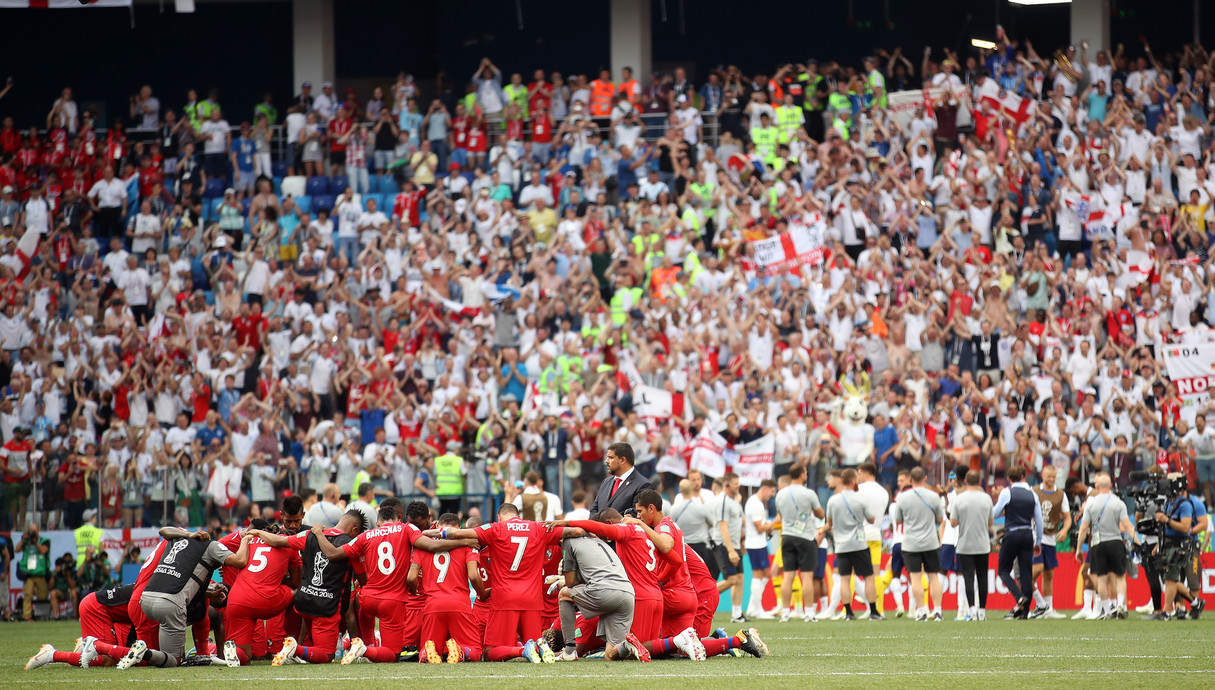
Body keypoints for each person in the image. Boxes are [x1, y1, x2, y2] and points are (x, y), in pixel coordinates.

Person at [311, 498, 476, 664]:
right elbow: (431, 546)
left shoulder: (365, 535)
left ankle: (358, 642)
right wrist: (464, 541)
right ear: (399, 518)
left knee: (364, 614)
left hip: (367, 599)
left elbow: (332, 554)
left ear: (378, 521)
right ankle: (365, 648)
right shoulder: (406, 529)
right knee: (392, 654)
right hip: (393, 601)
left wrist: (318, 532)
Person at [249, 508, 367, 665]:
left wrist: (256, 532)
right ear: (355, 529)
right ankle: (296, 649)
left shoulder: (309, 534)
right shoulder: (352, 543)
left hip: (304, 601)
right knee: (326, 656)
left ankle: (297, 649)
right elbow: (363, 579)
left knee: (313, 648)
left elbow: (278, 541)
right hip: (326, 607)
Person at [129, 529, 252, 669]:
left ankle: (145, 651)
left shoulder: (178, 540)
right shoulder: (213, 547)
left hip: (145, 598)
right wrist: (245, 540)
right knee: (175, 660)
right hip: (169, 603)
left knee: (156, 658)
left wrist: (188, 534)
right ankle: (146, 653)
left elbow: (163, 530)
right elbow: (240, 560)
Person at [407, 512, 489, 663]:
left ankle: (426, 654)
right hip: (459, 604)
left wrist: (416, 593)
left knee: (429, 648)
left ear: (437, 526)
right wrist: (483, 594)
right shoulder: (468, 544)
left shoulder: (423, 545)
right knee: (476, 651)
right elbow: (473, 575)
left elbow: (411, 577)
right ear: (459, 528)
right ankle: (461, 650)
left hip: (432, 605)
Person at [220, 526, 303, 666]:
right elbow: (296, 582)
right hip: (266, 598)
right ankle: (295, 645)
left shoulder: (250, 540)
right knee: (299, 593)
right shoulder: (289, 543)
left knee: (245, 656)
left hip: (237, 598)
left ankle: (234, 651)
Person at [1074, 473, 1139, 620]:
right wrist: (1138, 543)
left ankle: (1107, 608)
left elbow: (1083, 528)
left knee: (1101, 578)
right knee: (1120, 577)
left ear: (1096, 486)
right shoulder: (1118, 503)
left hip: (1098, 544)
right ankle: (1121, 605)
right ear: (1110, 486)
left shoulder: (1090, 503)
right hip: (1115, 542)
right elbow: (1127, 526)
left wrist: (1078, 549)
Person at [819, 468, 882, 621]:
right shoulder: (860, 499)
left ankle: (848, 612)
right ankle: (873, 611)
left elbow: (829, 523)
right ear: (853, 480)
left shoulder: (833, 500)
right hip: (859, 544)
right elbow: (872, 519)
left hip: (841, 545)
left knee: (844, 579)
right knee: (868, 577)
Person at [890, 467, 945, 621]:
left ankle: (921, 611)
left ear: (910, 480)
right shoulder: (933, 496)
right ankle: (938, 610)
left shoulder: (902, 498)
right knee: (933, 577)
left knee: (915, 578)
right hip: (930, 542)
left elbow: (899, 520)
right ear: (925, 478)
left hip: (910, 543)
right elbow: (941, 519)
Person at [774, 465, 824, 622]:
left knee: (788, 576)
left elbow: (780, 515)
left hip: (787, 536)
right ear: (802, 475)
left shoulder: (780, 494)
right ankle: (809, 613)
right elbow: (820, 514)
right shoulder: (809, 493)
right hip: (806, 537)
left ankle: (786, 613)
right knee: (807, 576)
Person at [993, 465, 1043, 619]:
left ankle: (1019, 597)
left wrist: (998, 498)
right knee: (1026, 572)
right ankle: (1025, 611)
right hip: (1028, 534)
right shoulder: (1032, 494)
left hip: (1012, 533)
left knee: (1003, 570)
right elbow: (1039, 520)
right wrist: (1038, 541)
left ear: (1009, 479)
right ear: (1023, 476)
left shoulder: (1007, 492)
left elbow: (994, 513)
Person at [949, 469, 993, 621]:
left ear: (966, 482)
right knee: (982, 577)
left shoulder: (959, 499)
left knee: (968, 577)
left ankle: (972, 611)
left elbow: (953, 522)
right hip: (982, 544)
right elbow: (991, 522)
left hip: (965, 544)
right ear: (979, 482)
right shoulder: (987, 498)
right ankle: (982, 611)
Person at [1029, 465, 1071, 619]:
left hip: (1051, 537)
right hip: (1035, 537)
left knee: (1049, 574)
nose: (1051, 479)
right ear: (1042, 475)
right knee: (1035, 571)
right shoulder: (1033, 491)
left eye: (1054, 477)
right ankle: (1029, 602)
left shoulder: (1061, 494)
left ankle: (1048, 609)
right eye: (1049, 476)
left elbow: (1067, 517)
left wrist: (1065, 530)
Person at [710, 472, 746, 622]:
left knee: (739, 578)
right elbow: (723, 526)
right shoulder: (723, 501)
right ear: (726, 485)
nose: (739, 486)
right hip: (724, 545)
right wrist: (731, 550)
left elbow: (741, 522)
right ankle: (701, 599)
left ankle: (737, 614)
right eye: (735, 483)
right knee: (731, 579)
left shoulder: (733, 501)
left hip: (734, 544)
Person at [742, 479, 777, 620]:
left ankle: (753, 607)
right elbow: (760, 527)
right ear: (765, 488)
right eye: (772, 491)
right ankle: (757, 609)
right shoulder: (755, 503)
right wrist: (775, 521)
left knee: (765, 575)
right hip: (755, 544)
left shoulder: (756, 503)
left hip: (758, 543)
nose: (772, 495)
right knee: (759, 575)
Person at [589, 442, 653, 515]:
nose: (606, 461)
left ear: (622, 460)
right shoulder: (606, 482)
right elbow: (594, 510)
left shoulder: (643, 485)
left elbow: (637, 517)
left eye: (611, 457)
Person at [15, 524, 49, 622]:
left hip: (40, 573)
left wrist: (35, 542)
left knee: (43, 596)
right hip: (29, 574)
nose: (32, 533)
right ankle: (27, 617)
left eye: (34, 531)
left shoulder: (44, 541)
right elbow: (16, 550)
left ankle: (41, 616)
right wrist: (22, 540)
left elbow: (43, 551)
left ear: (38, 530)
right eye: (30, 531)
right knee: (28, 595)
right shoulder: (26, 542)